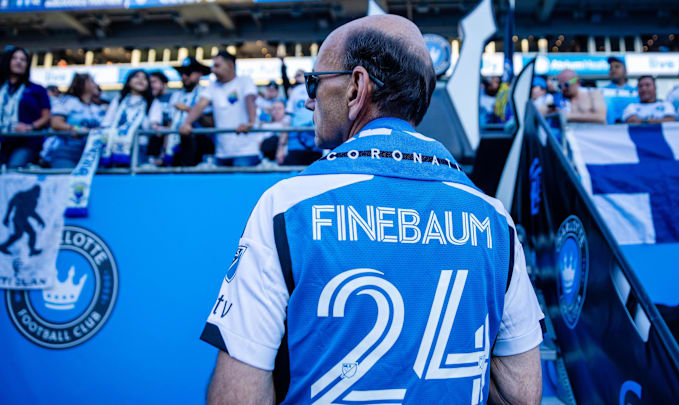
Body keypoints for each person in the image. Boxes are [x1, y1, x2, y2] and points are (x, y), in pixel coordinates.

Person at [201, 14, 544, 405]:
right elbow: (521, 393)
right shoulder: (494, 219)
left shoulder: (287, 206)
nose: (310, 99)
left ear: (356, 88)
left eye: (315, 82)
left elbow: (237, 398)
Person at [179, 51, 260, 167]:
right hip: (221, 153)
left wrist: (251, 123)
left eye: (217, 66)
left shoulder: (244, 81)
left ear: (231, 66)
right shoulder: (212, 86)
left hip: (246, 151)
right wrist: (187, 123)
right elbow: (200, 104)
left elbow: (250, 100)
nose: (213, 70)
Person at [149, 57, 213, 167]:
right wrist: (165, 151)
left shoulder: (206, 93)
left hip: (200, 149)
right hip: (175, 148)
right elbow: (171, 124)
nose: (184, 76)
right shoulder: (176, 95)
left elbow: (210, 123)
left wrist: (189, 110)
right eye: (181, 73)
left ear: (199, 73)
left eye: (188, 72)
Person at [0, 46, 51, 168]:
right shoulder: (2, 88)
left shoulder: (37, 89)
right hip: (3, 139)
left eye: (23, 60)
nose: (19, 62)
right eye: (15, 58)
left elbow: (47, 116)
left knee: (14, 169)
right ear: (8, 61)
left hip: (26, 142)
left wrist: (30, 127)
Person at [45, 73, 105, 168]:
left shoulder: (96, 108)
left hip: (90, 153)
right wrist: (77, 128)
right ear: (82, 84)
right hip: (66, 150)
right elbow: (56, 123)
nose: (95, 85)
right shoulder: (69, 101)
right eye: (92, 81)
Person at [101, 70, 155, 166]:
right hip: (113, 147)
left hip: (139, 147)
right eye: (136, 76)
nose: (140, 80)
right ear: (129, 81)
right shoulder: (119, 99)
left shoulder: (152, 102)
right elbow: (107, 122)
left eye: (144, 78)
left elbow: (154, 124)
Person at [284, 68, 322, 165]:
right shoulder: (297, 90)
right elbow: (288, 116)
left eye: (300, 75)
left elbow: (288, 116)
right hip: (300, 138)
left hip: (313, 138)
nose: (298, 77)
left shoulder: (316, 88)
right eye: (297, 75)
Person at [601, 56, 638, 124]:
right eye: (611, 68)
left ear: (625, 71)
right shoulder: (602, 92)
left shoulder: (636, 92)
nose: (613, 70)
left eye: (617, 67)